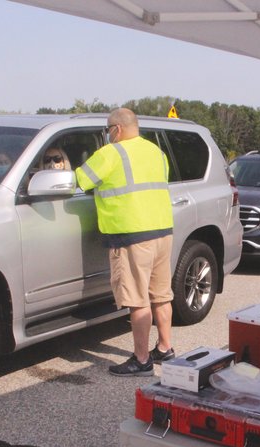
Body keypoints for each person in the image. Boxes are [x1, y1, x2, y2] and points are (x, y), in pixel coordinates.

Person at [74, 108, 175, 377]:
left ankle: (142, 360)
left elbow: (81, 180)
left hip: (131, 236)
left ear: (116, 130)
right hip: (162, 232)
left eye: (108, 130)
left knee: (137, 299)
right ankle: (165, 348)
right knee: (161, 295)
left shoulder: (111, 153)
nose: (108, 135)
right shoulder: (156, 152)